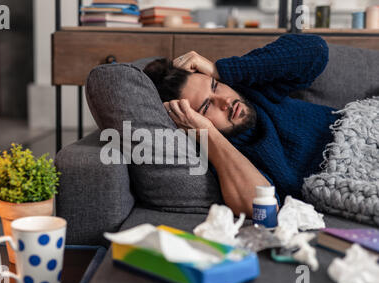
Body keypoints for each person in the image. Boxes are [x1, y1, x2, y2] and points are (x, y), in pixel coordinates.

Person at [143, 34, 340, 217]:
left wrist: (220, 70)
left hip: (359, 128)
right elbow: (262, 209)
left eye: (215, 86)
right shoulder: (220, 156)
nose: (225, 101)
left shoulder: (251, 89)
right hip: (346, 179)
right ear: (190, 122)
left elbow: (315, 49)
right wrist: (209, 135)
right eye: (206, 107)